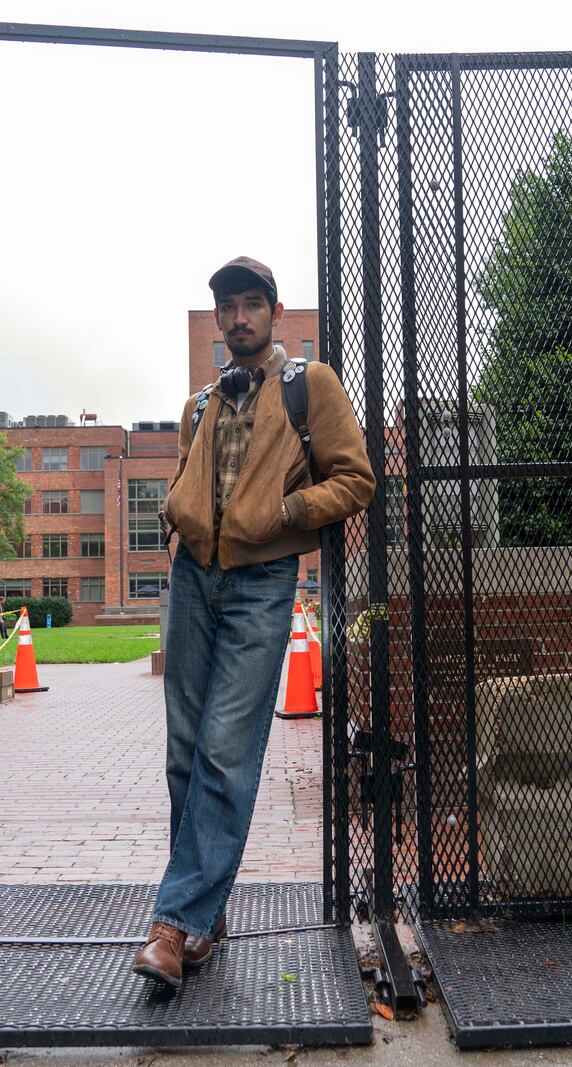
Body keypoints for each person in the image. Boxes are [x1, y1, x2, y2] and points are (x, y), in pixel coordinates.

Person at [134, 257, 374, 988]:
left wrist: (285, 514)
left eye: (251, 304)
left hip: (263, 583)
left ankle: (173, 927)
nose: (239, 317)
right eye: (227, 307)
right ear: (217, 321)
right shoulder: (200, 404)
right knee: (184, 752)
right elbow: (184, 479)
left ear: (273, 312)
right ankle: (207, 910)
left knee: (225, 751)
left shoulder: (311, 385)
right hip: (191, 581)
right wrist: (175, 512)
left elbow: (355, 478)